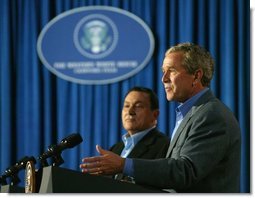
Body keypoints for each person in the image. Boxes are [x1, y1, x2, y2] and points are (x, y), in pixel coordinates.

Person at [80, 43, 241, 193]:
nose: (163, 79)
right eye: (163, 71)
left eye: (171, 71)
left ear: (196, 76)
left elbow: (185, 171)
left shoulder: (211, 114)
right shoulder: (191, 114)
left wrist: (124, 165)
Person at [109, 86, 170, 181]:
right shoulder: (115, 149)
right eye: (126, 106)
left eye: (138, 106)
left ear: (155, 115)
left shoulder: (165, 146)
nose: (130, 112)